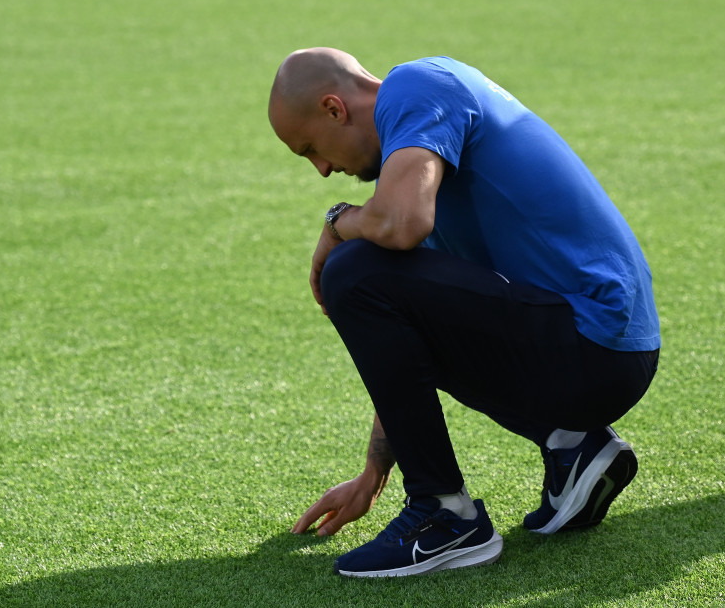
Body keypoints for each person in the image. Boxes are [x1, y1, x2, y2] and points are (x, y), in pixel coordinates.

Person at [267, 48, 660, 578]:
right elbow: (409, 340)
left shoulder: (415, 85)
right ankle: (574, 444)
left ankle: (445, 517)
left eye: (310, 148)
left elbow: (400, 224)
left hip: (591, 342)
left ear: (335, 108)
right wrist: (374, 470)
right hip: (598, 355)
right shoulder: (424, 165)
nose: (321, 169)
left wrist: (338, 224)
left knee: (352, 270)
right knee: (368, 271)